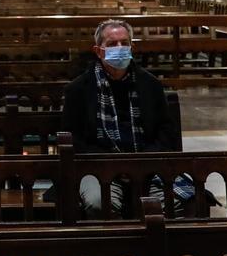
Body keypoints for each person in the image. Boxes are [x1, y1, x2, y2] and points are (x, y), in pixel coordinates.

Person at [61, 19, 188, 218]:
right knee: (98, 204)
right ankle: (113, 248)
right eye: (112, 44)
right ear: (98, 50)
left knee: (177, 202)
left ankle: (157, 248)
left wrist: (141, 162)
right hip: (98, 167)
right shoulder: (78, 89)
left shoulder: (150, 85)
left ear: (132, 47)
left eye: (124, 43)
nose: (119, 48)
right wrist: (114, 164)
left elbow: (166, 132)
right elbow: (73, 138)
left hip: (147, 165)